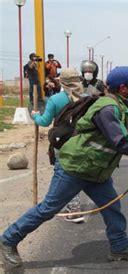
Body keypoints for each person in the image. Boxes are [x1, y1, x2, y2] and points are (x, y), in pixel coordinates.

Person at [0, 66, 128, 267]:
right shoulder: (107, 109)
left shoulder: (125, 107)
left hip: (95, 169)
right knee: (48, 209)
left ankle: (119, 248)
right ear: (124, 88)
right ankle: (7, 240)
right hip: (75, 166)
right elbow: (120, 142)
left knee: (112, 206)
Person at [32, 68, 87, 223]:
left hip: (62, 142)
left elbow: (44, 121)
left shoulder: (55, 99)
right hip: (83, 141)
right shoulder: (86, 98)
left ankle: (72, 208)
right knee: (79, 172)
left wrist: (35, 115)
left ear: (61, 82)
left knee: (65, 174)